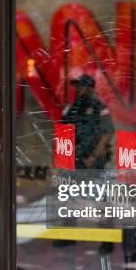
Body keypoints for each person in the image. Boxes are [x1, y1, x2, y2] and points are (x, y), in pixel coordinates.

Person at [53, 74, 115, 249]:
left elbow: (107, 133)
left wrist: (94, 156)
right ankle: (68, 236)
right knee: (68, 197)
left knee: (99, 199)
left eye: (81, 86)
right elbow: (63, 133)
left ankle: (107, 240)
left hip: (94, 162)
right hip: (73, 162)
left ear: (89, 87)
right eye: (77, 86)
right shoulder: (70, 109)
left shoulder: (100, 108)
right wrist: (61, 162)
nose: (79, 89)